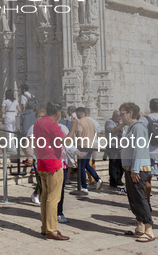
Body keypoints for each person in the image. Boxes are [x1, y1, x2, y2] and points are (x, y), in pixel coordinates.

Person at [33, 102, 69, 241]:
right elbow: (64, 142)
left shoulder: (38, 123)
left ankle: (45, 228)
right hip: (53, 163)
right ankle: (51, 230)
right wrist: (73, 129)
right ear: (58, 113)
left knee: (44, 196)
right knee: (53, 199)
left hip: (42, 162)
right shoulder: (53, 124)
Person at [120, 102, 155, 243]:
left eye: (123, 113)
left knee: (140, 198)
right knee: (133, 199)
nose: (121, 116)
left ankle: (149, 229)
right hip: (131, 168)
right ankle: (140, 226)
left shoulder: (138, 128)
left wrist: (134, 170)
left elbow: (139, 150)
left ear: (130, 113)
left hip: (138, 169)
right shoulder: (131, 128)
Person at [140, 98, 158, 216]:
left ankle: (147, 203)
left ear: (150, 106)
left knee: (147, 179)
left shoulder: (143, 120)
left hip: (147, 153)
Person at [69, 107, 102, 192]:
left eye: (76, 114)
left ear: (79, 113)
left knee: (81, 166)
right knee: (86, 164)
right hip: (91, 145)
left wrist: (76, 147)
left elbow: (79, 136)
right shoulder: (91, 122)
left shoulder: (80, 122)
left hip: (83, 146)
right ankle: (97, 179)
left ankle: (84, 186)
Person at [105, 110, 125, 189]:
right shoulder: (109, 122)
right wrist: (122, 124)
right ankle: (113, 182)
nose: (119, 118)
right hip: (112, 146)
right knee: (113, 165)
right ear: (114, 115)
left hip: (121, 146)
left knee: (121, 165)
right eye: (118, 116)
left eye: (120, 116)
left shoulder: (120, 123)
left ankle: (119, 179)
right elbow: (113, 130)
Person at [30, 108, 46, 205]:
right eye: (40, 116)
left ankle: (36, 194)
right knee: (40, 178)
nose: (41, 118)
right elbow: (28, 142)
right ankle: (37, 195)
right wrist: (30, 156)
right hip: (37, 156)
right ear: (36, 117)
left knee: (43, 179)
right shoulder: (33, 128)